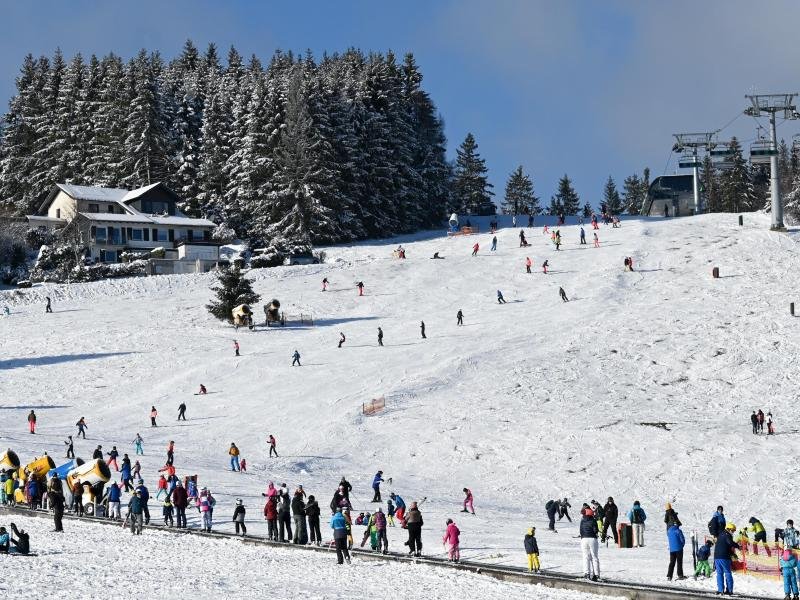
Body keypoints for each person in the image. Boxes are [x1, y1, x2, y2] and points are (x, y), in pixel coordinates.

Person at [714, 522, 740, 595]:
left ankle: (720, 590)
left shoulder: (721, 534)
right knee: (728, 573)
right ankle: (729, 590)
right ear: (729, 529)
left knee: (719, 573)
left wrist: (732, 553)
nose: (733, 532)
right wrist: (738, 546)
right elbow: (730, 543)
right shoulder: (727, 535)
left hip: (717, 557)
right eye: (733, 530)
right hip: (724, 557)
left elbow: (724, 546)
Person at [579, 508, 600, 581]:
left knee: (586, 557)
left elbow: (581, 531)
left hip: (584, 539)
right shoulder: (593, 520)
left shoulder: (582, 521)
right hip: (592, 539)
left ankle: (586, 573)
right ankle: (596, 575)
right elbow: (596, 530)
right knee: (594, 557)